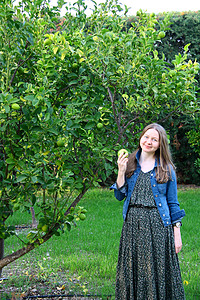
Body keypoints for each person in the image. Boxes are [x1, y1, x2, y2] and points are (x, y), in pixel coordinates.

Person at [110, 123, 185, 300]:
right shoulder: (129, 163)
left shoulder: (166, 168)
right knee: (133, 269)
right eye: (146, 137)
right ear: (141, 138)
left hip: (158, 226)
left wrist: (177, 233)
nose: (149, 142)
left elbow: (173, 203)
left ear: (160, 144)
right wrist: (121, 172)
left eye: (154, 139)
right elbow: (119, 196)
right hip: (132, 226)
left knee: (156, 271)